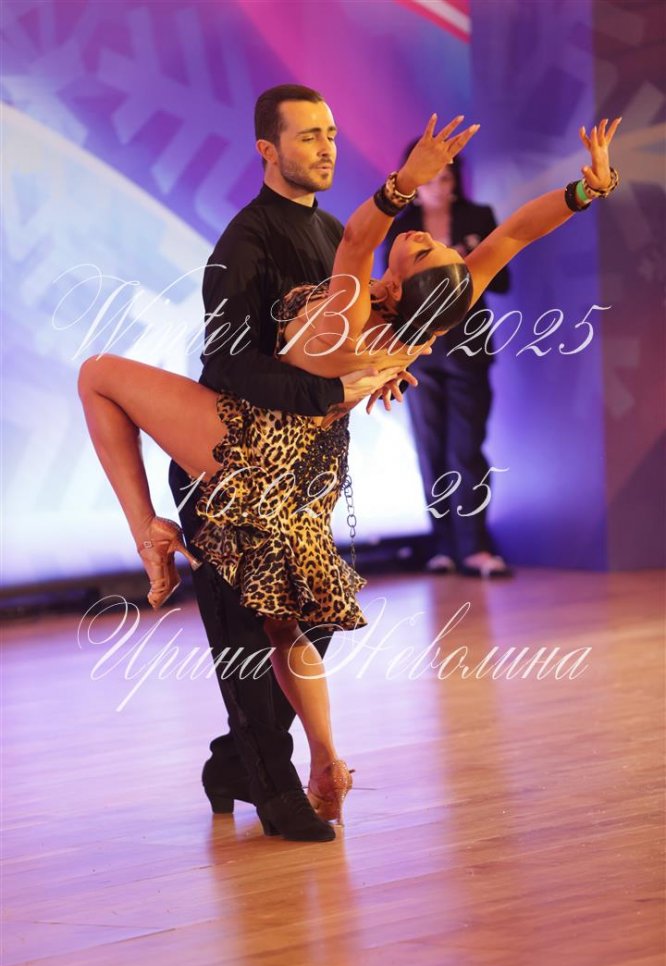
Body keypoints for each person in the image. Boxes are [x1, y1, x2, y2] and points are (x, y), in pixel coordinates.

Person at [78, 112, 621, 836]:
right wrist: (587, 191)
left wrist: (404, 182)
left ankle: (147, 530)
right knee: (284, 628)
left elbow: (360, 239)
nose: (424, 237)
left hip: (250, 444)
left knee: (98, 374)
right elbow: (514, 235)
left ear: (403, 281)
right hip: (308, 472)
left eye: (423, 249)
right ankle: (328, 759)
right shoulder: (427, 318)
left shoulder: (353, 309)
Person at [382, 153, 512, 577]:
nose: (440, 186)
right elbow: (388, 290)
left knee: (466, 449)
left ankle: (475, 546)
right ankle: (443, 546)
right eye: (431, 178)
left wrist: (464, 260)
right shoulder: (400, 225)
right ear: (414, 182)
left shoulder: (478, 216)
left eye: (447, 177)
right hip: (419, 352)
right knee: (431, 449)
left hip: (469, 348)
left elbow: (504, 280)